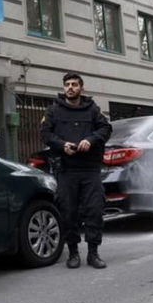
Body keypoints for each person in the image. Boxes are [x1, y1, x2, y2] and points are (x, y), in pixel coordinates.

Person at [40, 72, 112, 269]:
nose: (70, 87)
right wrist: (62, 145)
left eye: (74, 84)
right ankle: (73, 253)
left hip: (90, 169)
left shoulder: (93, 109)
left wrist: (90, 140)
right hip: (66, 170)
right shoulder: (53, 110)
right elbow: (45, 134)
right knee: (68, 212)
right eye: (67, 84)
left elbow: (105, 129)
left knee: (94, 210)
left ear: (81, 88)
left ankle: (93, 253)